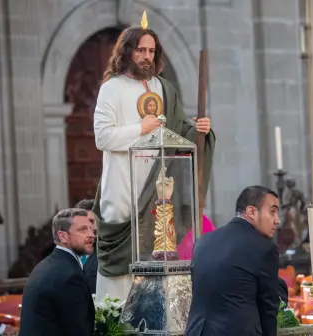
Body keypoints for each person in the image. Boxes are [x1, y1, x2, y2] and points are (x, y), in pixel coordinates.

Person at [92, 13, 215, 301]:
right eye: (140, 50)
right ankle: (116, 324)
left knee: (156, 267)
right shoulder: (111, 89)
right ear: (127, 52)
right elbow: (102, 138)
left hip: (158, 191)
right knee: (123, 272)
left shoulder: (163, 88)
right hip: (124, 189)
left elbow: (179, 130)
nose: (146, 57)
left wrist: (200, 129)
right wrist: (140, 128)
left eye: (151, 51)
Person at [185, 186, 288, 336]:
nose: (277, 220)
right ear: (252, 212)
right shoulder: (264, 248)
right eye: (272, 211)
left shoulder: (203, 242)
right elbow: (268, 309)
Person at [18, 208, 95, 336]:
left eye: (91, 229)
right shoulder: (70, 275)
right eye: (83, 230)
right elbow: (78, 331)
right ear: (63, 236)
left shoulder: (47, 264)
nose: (91, 234)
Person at [75, 199, 98, 294]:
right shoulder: (68, 253)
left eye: (93, 222)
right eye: (87, 223)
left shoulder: (106, 255)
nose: (94, 227)